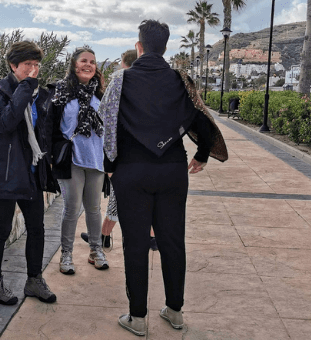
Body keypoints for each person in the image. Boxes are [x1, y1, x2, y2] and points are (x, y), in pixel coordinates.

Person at [99, 19, 228, 336]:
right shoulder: (181, 79)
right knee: (172, 241)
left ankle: (138, 318)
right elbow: (203, 117)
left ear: (139, 45)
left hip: (131, 170)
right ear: (166, 47)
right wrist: (201, 155)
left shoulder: (121, 80)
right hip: (172, 169)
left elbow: (108, 121)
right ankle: (175, 311)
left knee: (136, 243)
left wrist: (110, 164)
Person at [0, 41, 59, 305]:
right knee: (1, 230)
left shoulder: (37, 94)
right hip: (3, 173)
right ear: (14, 66)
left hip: (30, 172)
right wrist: (25, 88)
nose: (33, 70)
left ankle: (34, 281)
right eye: (28, 65)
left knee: (37, 228)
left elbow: (41, 132)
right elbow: (4, 123)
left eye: (37, 65)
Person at [81, 48, 160, 251]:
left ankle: (104, 237)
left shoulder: (120, 82)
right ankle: (152, 238)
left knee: (117, 199)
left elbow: (105, 118)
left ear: (124, 64)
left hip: (125, 156)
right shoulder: (151, 87)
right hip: (150, 156)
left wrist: (109, 158)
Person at [51, 47, 109, 275]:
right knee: (72, 208)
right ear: (74, 65)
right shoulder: (61, 92)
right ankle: (66, 254)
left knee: (94, 209)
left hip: (96, 159)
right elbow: (52, 127)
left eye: (92, 62)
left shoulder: (100, 94)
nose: (88, 65)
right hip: (72, 159)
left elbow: (109, 128)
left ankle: (96, 251)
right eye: (84, 61)